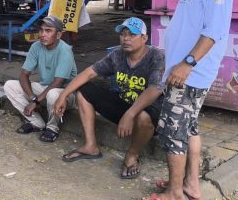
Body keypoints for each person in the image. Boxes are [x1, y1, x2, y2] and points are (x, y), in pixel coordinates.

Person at [142, 0, 235, 200]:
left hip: (189, 73)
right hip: (183, 70)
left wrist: (187, 64)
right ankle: (190, 183)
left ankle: (174, 196)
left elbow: (214, 31)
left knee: (172, 132)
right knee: (189, 127)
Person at [54, 17, 165, 179]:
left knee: (143, 116)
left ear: (144, 38)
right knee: (85, 89)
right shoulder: (117, 55)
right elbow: (88, 73)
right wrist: (63, 95)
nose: (126, 38)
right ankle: (90, 146)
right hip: (124, 104)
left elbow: (155, 89)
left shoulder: (156, 56)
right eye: (123, 34)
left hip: (148, 110)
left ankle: (132, 155)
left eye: (132, 35)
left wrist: (130, 114)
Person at [3, 16, 78, 142]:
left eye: (48, 31)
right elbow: (23, 75)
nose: (43, 34)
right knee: (9, 85)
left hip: (65, 93)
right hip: (44, 89)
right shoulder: (36, 46)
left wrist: (36, 102)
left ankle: (52, 128)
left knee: (53, 94)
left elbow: (58, 82)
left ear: (58, 35)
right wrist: (33, 97)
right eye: (41, 30)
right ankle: (37, 123)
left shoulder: (65, 50)